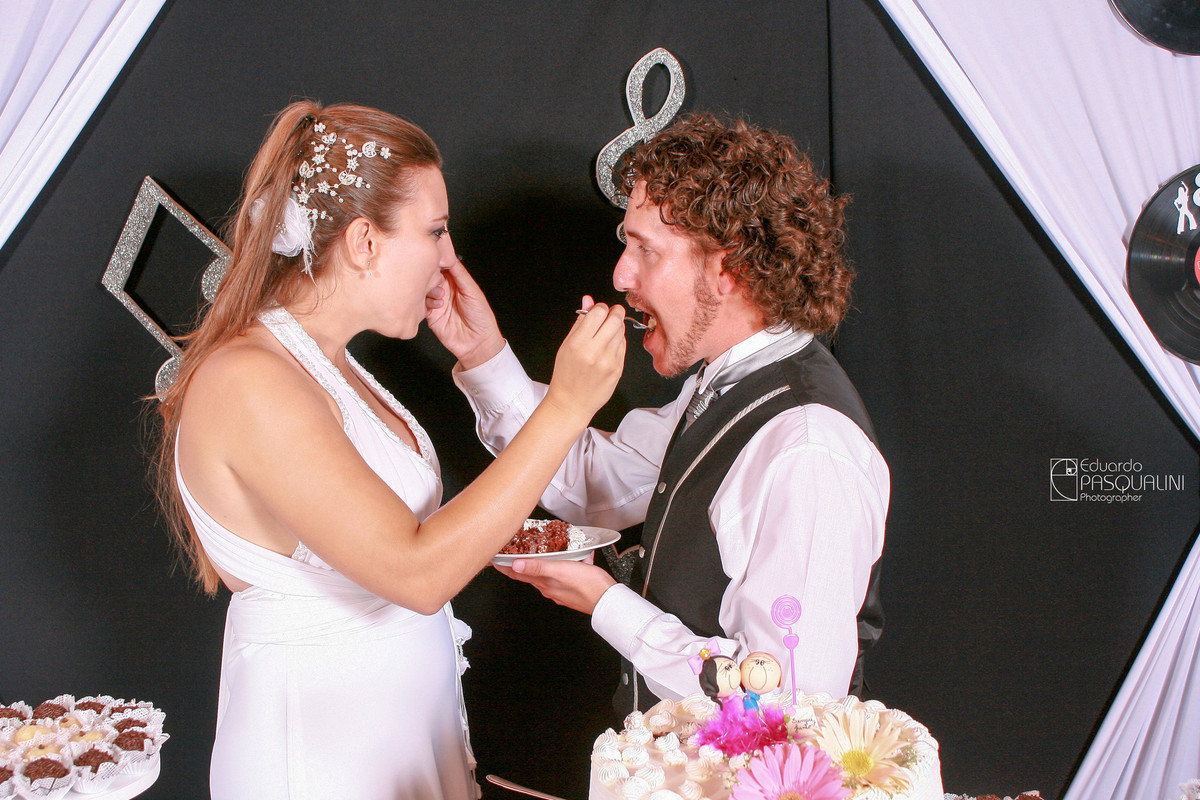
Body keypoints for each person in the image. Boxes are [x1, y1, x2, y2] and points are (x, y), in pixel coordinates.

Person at [153, 100, 626, 799]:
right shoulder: (249, 379)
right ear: (365, 242)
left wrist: (485, 355)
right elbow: (416, 571)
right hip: (319, 762)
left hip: (395, 747)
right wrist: (563, 407)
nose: (447, 258)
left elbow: (413, 544)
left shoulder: (332, 366)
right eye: (435, 231)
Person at [433, 113, 888, 714]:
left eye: (645, 250)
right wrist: (483, 354)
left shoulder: (808, 445)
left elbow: (787, 698)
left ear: (729, 270)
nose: (621, 276)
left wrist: (605, 602)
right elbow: (598, 482)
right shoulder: (725, 382)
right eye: (627, 245)